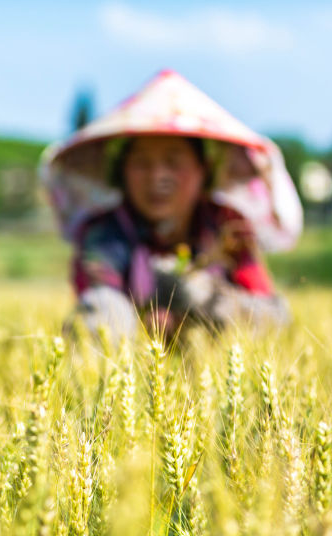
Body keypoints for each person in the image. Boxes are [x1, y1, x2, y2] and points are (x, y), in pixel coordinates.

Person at [41, 70, 303, 341]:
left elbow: (273, 316)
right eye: (142, 164)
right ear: (122, 173)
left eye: (174, 163)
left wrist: (209, 300)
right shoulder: (104, 234)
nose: (158, 178)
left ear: (204, 171)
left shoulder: (228, 227)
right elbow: (98, 304)